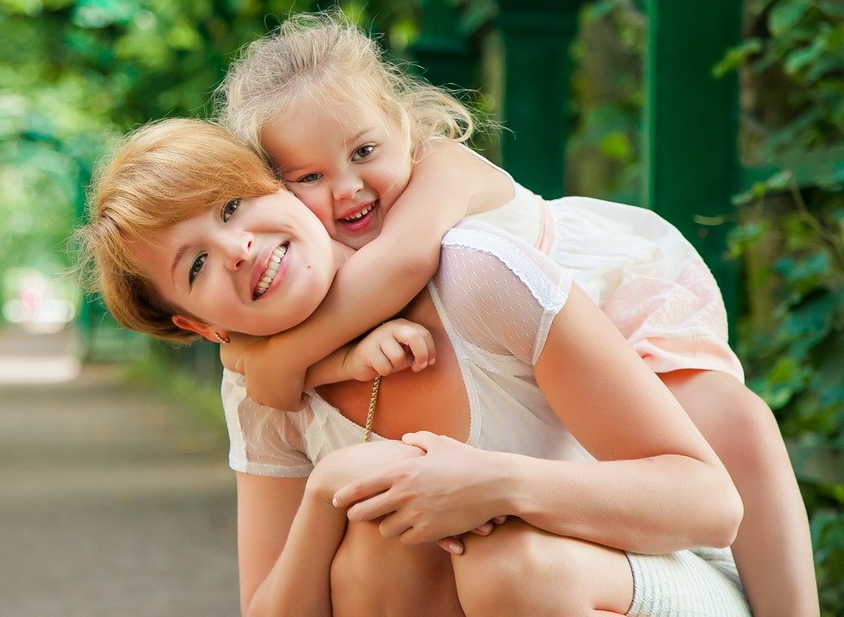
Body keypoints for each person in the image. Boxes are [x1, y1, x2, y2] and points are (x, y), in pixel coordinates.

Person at [213, 12, 818, 617]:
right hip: (530, 363)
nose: (347, 187)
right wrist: (253, 353)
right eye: (309, 177)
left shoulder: (442, 169)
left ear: (405, 126)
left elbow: (399, 267)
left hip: (604, 304)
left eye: (364, 151)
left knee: (731, 421)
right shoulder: (316, 259)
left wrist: (283, 360)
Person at [75, 117, 750, 617]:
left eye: (232, 206)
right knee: (378, 540)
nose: (238, 248)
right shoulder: (258, 390)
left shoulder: (475, 275)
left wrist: (499, 485)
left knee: (509, 566)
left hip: (656, 580)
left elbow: (711, 506)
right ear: (199, 326)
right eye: (196, 264)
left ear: (284, 189)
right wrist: (325, 491)